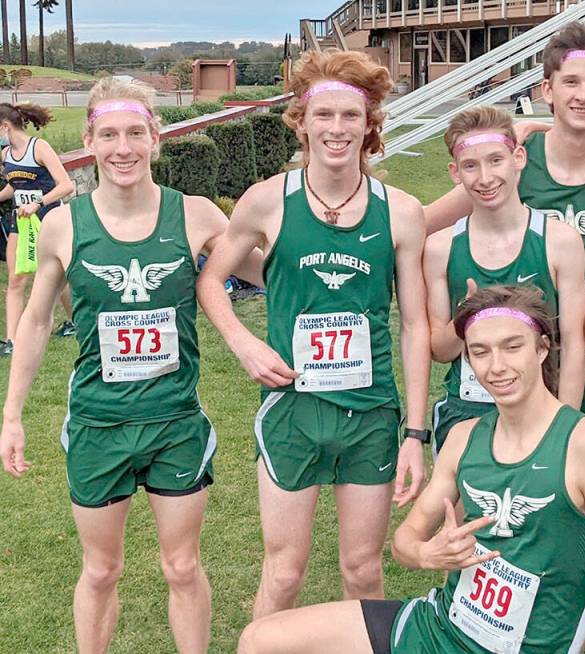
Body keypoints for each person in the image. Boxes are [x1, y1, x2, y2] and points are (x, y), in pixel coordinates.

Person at [236, 285, 585, 654]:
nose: (497, 366)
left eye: (512, 347)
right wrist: (427, 553)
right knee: (260, 640)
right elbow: (404, 541)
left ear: (541, 349)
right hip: (440, 628)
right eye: (481, 352)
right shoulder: (465, 437)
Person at [0, 77, 262, 653]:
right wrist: (11, 414)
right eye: (110, 134)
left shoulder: (195, 216)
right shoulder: (63, 225)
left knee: (183, 566)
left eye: (136, 133)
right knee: (100, 571)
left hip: (176, 423)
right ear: (90, 139)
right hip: (98, 424)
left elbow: (271, 274)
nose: (123, 147)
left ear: (155, 139)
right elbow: (38, 321)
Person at [195, 49, 431, 617]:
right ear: (300, 120)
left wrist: (415, 434)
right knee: (284, 572)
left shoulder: (400, 211)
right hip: (290, 410)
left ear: (371, 123)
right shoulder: (267, 201)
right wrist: (244, 342)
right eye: (323, 115)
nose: (337, 129)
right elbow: (211, 280)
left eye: (351, 116)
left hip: (371, 414)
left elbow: (417, 324)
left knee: (363, 569)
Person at [425, 22, 585, 435]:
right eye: (570, 82)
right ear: (546, 90)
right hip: (514, 348)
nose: (582, 95)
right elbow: (420, 225)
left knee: (581, 480)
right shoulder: (508, 164)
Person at [425, 106, 585, 451]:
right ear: (455, 172)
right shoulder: (440, 248)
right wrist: (463, 318)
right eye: (471, 165)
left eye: (495, 160)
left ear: (518, 158)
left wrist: (566, 426)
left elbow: (573, 344)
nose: (485, 178)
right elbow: (439, 350)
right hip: (466, 411)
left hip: (540, 412)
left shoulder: (559, 242)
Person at [0, 102, 76, 356]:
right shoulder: (5, 155)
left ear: (5, 127)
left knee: (55, 275)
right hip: (20, 221)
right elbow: (15, 186)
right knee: (16, 278)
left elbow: (66, 185)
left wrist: (38, 203)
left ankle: (73, 321)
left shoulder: (39, 148)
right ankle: (11, 341)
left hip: (49, 218)